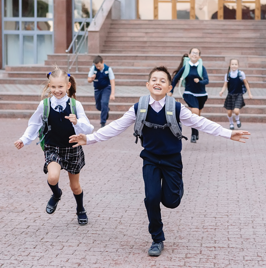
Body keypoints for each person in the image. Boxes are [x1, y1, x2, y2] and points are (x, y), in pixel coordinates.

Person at [69, 66, 250, 257]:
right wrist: (90, 138)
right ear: (148, 85)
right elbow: (116, 126)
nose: (158, 83)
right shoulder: (139, 108)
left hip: (172, 160)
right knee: (152, 198)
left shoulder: (177, 108)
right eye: (154, 80)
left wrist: (228, 133)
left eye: (162, 81)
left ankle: (176, 188)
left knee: (171, 202)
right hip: (151, 159)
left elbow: (201, 123)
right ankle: (157, 238)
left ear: (169, 88)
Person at [14, 67, 94, 225]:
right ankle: (56, 194)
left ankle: (80, 209)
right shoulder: (44, 105)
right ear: (49, 86)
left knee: (75, 186)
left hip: (72, 148)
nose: (57, 90)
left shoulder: (75, 105)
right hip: (52, 147)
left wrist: (77, 122)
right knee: (52, 177)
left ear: (68, 86)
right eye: (53, 87)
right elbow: (34, 124)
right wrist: (24, 139)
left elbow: (88, 128)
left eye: (60, 87)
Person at [170, 48, 209, 143]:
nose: (194, 55)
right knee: (194, 111)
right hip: (189, 93)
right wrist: (171, 90)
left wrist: (199, 81)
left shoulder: (201, 67)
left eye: (197, 53)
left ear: (199, 56)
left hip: (201, 94)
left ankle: (196, 131)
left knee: (197, 116)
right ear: (189, 55)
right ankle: (193, 134)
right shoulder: (186, 67)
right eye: (193, 53)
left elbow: (206, 80)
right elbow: (176, 78)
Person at [219, 59, 252, 130]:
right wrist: (222, 91)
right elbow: (225, 85)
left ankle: (237, 119)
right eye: (232, 64)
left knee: (236, 110)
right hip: (230, 95)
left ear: (238, 65)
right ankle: (231, 123)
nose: (234, 66)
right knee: (229, 112)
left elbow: (246, 83)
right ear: (230, 65)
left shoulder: (241, 74)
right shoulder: (227, 75)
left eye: (235, 64)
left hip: (238, 95)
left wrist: (249, 93)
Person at [88, 55, 116, 127]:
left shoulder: (108, 69)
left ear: (102, 62)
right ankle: (106, 109)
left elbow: (112, 81)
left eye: (99, 66)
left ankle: (103, 122)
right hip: (97, 89)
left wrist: (112, 93)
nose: (98, 68)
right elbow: (88, 80)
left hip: (106, 88)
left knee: (104, 102)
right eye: (96, 66)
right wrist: (92, 78)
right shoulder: (93, 69)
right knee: (98, 106)